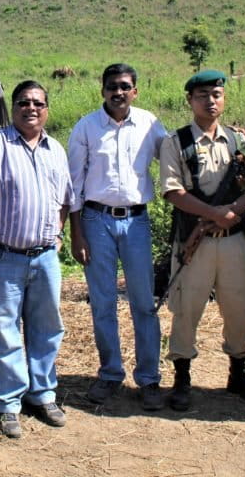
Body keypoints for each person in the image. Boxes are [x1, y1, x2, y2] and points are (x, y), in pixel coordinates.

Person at [0, 80, 74, 438]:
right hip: (3, 257)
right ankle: (7, 403)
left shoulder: (56, 149)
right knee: (6, 331)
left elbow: (65, 199)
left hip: (45, 258)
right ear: (15, 106)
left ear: (47, 108)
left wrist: (57, 235)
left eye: (38, 102)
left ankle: (42, 393)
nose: (31, 108)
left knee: (47, 328)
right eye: (23, 102)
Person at [159, 70, 245, 411]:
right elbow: (173, 191)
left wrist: (232, 211)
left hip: (234, 239)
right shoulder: (175, 143)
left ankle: (238, 373)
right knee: (186, 309)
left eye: (217, 94)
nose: (211, 101)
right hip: (196, 241)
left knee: (239, 309)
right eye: (203, 95)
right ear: (190, 100)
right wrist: (212, 212)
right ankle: (182, 378)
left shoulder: (239, 141)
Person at [68, 63, 167, 410]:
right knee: (103, 302)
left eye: (125, 86)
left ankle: (149, 378)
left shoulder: (151, 124)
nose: (118, 92)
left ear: (135, 91)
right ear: (103, 91)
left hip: (136, 222)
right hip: (96, 220)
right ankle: (110, 374)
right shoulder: (87, 127)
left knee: (143, 302)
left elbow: (172, 160)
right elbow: (74, 186)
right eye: (112, 86)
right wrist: (76, 233)